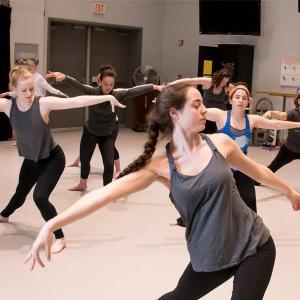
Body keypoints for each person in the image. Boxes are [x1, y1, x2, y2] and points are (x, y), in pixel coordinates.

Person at [25, 83, 300, 300]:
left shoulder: (221, 144)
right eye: (197, 104)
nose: (204, 109)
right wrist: (52, 224)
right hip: (212, 253)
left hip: (255, 246)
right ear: (175, 113)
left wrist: (289, 191)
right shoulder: (159, 167)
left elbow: (257, 171)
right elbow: (104, 195)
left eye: (203, 103)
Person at [0, 67, 124, 253]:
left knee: (40, 197)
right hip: (32, 160)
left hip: (52, 159)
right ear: (14, 90)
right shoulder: (7, 106)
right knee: (20, 193)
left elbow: (77, 101)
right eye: (23, 90)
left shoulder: (42, 104)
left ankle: (60, 237)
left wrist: (106, 97)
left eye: (32, 89)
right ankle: (4, 215)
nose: (29, 94)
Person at [47, 65, 164, 191]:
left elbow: (133, 90)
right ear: (99, 82)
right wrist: (64, 78)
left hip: (107, 134)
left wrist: (153, 86)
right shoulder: (92, 92)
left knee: (108, 164)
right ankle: (82, 183)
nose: (108, 87)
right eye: (105, 84)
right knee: (85, 161)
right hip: (90, 132)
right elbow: (79, 86)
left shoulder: (117, 94)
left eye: (111, 84)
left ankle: (106, 191)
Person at [170, 68, 234, 133]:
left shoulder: (226, 86)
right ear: (218, 79)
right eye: (223, 81)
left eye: (226, 82)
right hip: (205, 114)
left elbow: (240, 89)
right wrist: (170, 84)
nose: (224, 84)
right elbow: (190, 80)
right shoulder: (208, 82)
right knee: (202, 133)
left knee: (218, 135)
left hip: (219, 116)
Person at [261, 93, 300, 174]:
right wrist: (271, 112)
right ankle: (257, 179)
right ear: (299, 101)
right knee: (272, 168)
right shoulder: (293, 113)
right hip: (290, 149)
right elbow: (282, 115)